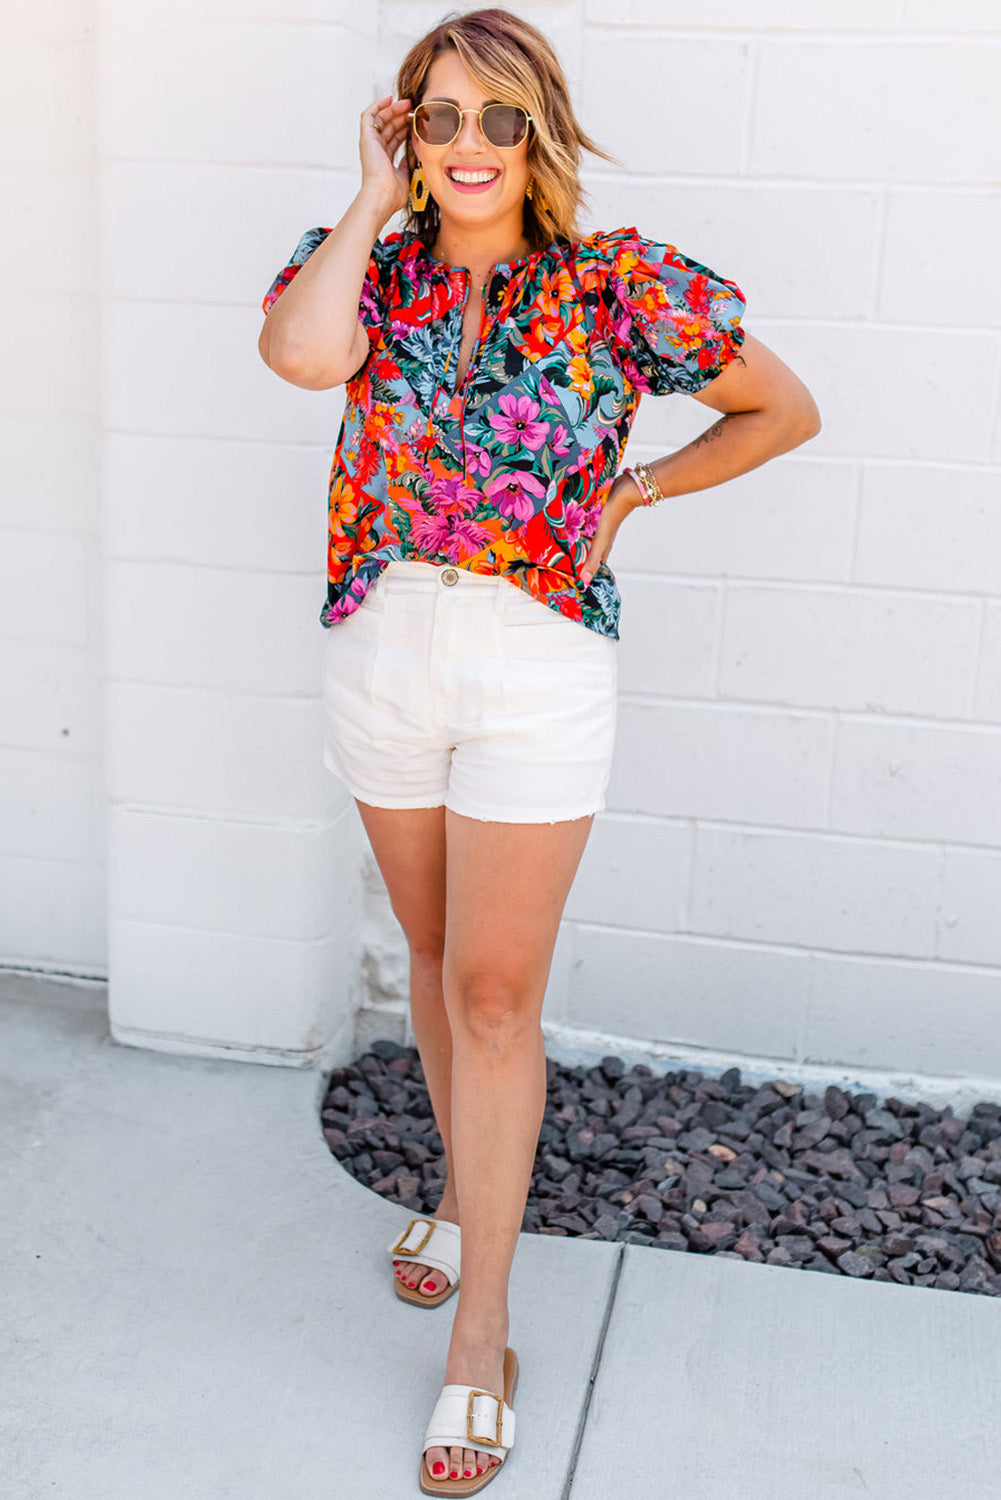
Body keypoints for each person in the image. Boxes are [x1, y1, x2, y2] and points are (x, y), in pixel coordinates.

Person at [258, 7, 821, 1493]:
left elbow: (782, 406)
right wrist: (368, 199)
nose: (465, 147)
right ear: (405, 129)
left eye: (495, 120)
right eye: (436, 118)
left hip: (536, 661)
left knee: (495, 993)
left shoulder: (614, 280)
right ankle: (457, 1198)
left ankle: (480, 1334)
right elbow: (298, 360)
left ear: (540, 132)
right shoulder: (365, 260)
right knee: (436, 957)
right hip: (382, 644)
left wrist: (634, 488)